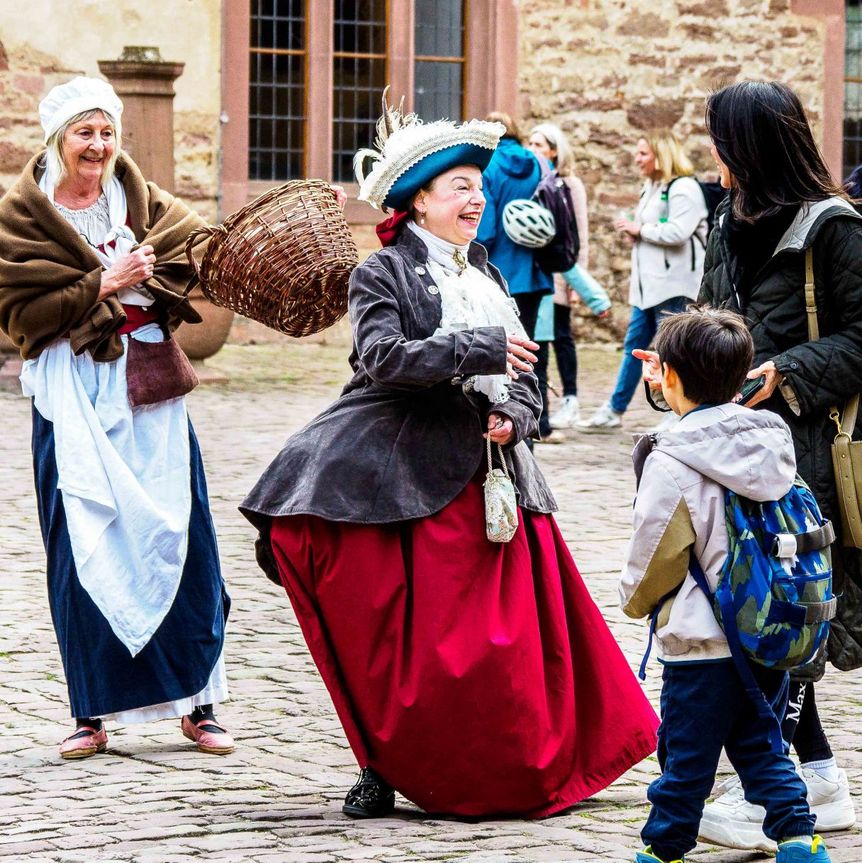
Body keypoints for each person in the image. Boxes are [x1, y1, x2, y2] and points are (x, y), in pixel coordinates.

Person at [241, 104, 659, 819]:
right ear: (419, 202)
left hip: (495, 479)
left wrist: (517, 413)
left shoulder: (488, 274)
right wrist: (475, 351)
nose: (476, 199)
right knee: (399, 650)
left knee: (504, 653)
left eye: (478, 186)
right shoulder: (382, 273)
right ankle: (382, 760)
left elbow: (527, 377)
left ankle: (506, 764)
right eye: (460, 186)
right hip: (405, 474)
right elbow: (378, 358)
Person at [638, 80, 861, 854]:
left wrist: (789, 370)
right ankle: (817, 778)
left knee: (775, 607)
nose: (711, 153)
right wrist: (671, 364)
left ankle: (779, 792)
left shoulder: (836, 229)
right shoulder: (730, 221)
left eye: (720, 139)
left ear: (754, 147)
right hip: (729, 443)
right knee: (748, 607)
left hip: (805, 457)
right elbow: (705, 317)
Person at [0, 77, 234, 759]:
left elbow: (199, 256)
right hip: (72, 390)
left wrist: (154, 277)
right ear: (58, 140)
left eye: (106, 133)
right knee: (81, 543)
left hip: (149, 387)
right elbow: (19, 314)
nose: (98, 147)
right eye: (84, 134)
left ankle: (200, 703)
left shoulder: (139, 196)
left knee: (183, 533)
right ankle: (90, 709)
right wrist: (102, 282)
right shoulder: (25, 214)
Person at [621, 306, 833, 863]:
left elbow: (655, 552)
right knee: (762, 744)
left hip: (700, 642)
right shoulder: (773, 444)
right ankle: (799, 838)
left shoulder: (672, 459)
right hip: (763, 631)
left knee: (685, 756)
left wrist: (635, 601)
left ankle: (663, 848)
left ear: (666, 376)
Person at [579, 130, 707, 432]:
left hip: (674, 286)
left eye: (643, 153)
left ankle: (677, 410)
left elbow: (679, 231)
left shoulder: (683, 187)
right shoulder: (650, 187)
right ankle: (614, 408)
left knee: (672, 351)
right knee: (633, 348)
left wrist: (640, 230)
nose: (637, 159)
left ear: (661, 154)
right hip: (646, 288)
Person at [527, 122, 611, 437]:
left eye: (539, 144)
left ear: (553, 150)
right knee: (543, 340)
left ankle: (571, 398)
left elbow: (580, 235)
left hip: (565, 271)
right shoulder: (536, 180)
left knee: (562, 336)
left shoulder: (569, 184)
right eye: (530, 143)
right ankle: (550, 403)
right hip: (546, 273)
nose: (533, 149)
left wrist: (578, 280)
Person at [476, 113, 552, 343]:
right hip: (537, 268)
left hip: (499, 270)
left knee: (501, 345)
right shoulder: (540, 162)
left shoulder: (487, 165)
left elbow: (485, 230)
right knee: (528, 341)